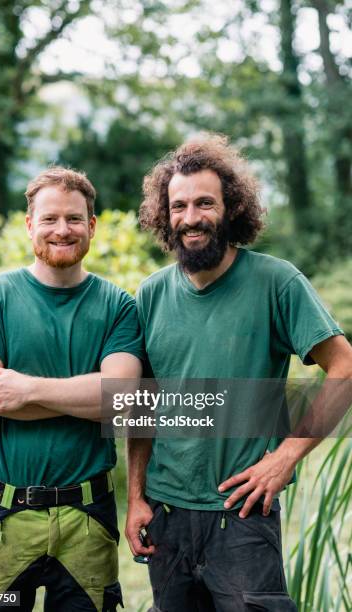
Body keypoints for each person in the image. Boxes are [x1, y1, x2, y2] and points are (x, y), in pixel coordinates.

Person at [125, 134, 352, 611]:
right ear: (164, 215)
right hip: (167, 517)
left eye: (205, 203)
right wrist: (135, 497)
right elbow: (142, 405)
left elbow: (344, 368)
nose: (191, 218)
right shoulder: (150, 295)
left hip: (242, 514)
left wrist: (285, 458)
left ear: (232, 207)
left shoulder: (277, 282)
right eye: (179, 206)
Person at [0, 167, 143, 612]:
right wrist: (85, 398)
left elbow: (122, 401)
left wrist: (26, 389)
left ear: (91, 226)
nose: (62, 229)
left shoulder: (118, 307)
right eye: (50, 218)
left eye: (74, 219)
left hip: (87, 517)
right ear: (29, 224)